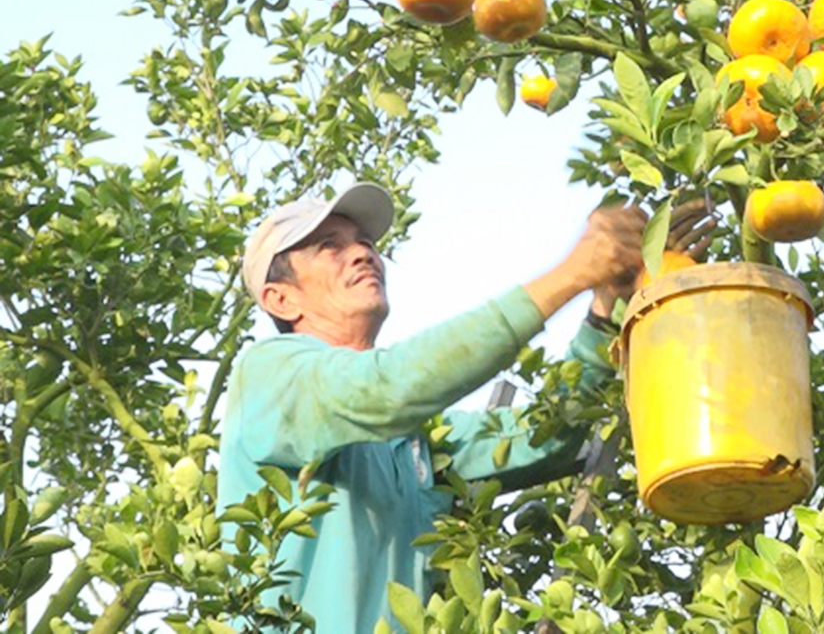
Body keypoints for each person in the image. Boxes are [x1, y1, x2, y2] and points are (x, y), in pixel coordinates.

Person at [217, 181, 713, 633]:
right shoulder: (269, 376)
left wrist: (606, 310)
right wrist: (570, 274)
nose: (361, 253)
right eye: (331, 246)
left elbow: (547, 437)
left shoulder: (415, 439)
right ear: (280, 300)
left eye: (365, 243)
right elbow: (384, 388)